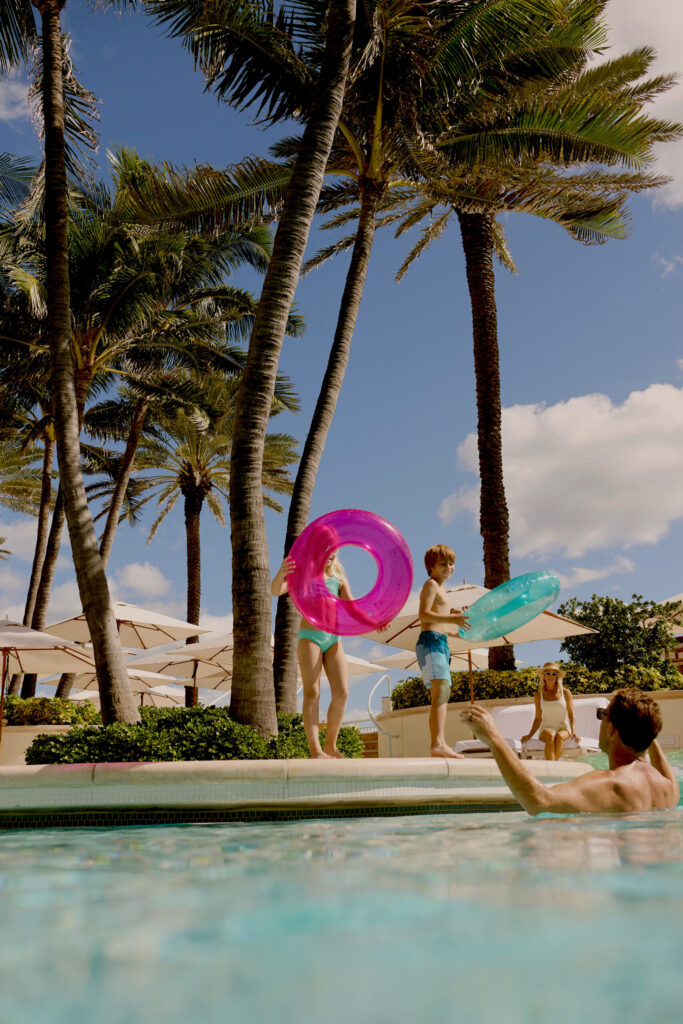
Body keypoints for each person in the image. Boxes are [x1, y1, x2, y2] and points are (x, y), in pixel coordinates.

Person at [461, 688, 679, 815]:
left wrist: (494, 738)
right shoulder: (668, 788)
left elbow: (539, 801)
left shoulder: (613, 785)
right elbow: (653, 747)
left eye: (603, 716)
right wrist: (642, 721)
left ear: (612, 728)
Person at [272, 553, 352, 759]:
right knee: (312, 692)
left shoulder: (340, 581)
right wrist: (283, 571)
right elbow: (275, 590)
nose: (330, 553)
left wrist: (377, 620)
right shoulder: (303, 577)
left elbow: (353, 609)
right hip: (310, 636)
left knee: (342, 692)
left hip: (333, 638)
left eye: (334, 548)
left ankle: (330, 746)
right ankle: (315, 749)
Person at [416, 543, 470, 759]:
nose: (449, 567)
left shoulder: (442, 590)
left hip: (440, 642)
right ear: (431, 567)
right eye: (443, 564)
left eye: (451, 563)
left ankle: (439, 742)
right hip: (431, 642)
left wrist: (459, 628)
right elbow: (424, 615)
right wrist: (452, 617)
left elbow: (444, 626)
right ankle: (437, 743)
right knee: (440, 692)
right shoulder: (430, 585)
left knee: (443, 692)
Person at [520, 662, 579, 760]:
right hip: (546, 729)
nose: (551, 676)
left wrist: (573, 730)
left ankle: (552, 766)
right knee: (551, 735)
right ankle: (554, 766)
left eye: (554, 674)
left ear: (557, 677)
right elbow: (538, 718)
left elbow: (571, 714)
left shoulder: (565, 693)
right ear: (544, 675)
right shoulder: (539, 695)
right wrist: (529, 735)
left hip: (563, 728)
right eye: (548, 673)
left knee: (559, 736)